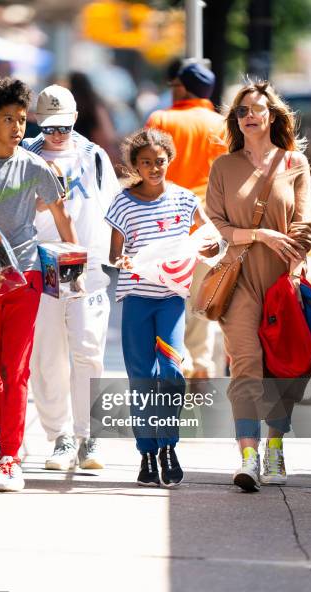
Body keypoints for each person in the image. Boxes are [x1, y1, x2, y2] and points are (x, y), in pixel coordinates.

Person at [0, 76, 78, 492]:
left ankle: (9, 458)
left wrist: (73, 264)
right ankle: (1, 434)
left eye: (23, 119)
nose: (18, 127)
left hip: (27, 279)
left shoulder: (37, 166)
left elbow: (61, 216)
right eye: (9, 119)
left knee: (16, 370)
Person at [206, 80, 311, 492]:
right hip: (238, 279)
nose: (250, 115)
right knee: (247, 365)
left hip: (283, 279)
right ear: (236, 120)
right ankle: (248, 456)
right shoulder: (223, 166)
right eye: (242, 111)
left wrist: (291, 258)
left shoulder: (294, 163)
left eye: (257, 109)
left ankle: (275, 444)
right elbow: (216, 224)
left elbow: (306, 224)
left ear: (272, 115)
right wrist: (259, 235)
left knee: (286, 368)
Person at [105, 128, 220, 488]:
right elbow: (114, 253)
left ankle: (168, 446)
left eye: (160, 161)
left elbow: (209, 239)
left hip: (171, 298)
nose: (155, 168)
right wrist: (124, 260)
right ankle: (146, 454)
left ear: (169, 160)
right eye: (146, 163)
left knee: (170, 371)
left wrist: (210, 248)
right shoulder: (123, 203)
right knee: (141, 376)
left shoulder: (185, 200)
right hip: (137, 298)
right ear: (134, 166)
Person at [22, 84, 119, 471]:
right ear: (37, 121)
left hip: (87, 266)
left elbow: (114, 209)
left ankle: (89, 436)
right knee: (47, 357)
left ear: (76, 119)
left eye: (63, 126)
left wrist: (118, 257)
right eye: (49, 127)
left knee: (89, 352)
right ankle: (59, 436)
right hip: (39, 265)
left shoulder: (94, 157)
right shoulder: (24, 155)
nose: (57, 135)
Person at [146, 58, 227, 382]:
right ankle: (201, 367)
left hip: (168, 224)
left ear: (182, 87)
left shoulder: (161, 118)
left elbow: (146, 169)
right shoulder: (221, 123)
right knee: (202, 302)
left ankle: (173, 368)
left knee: (168, 300)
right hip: (209, 224)